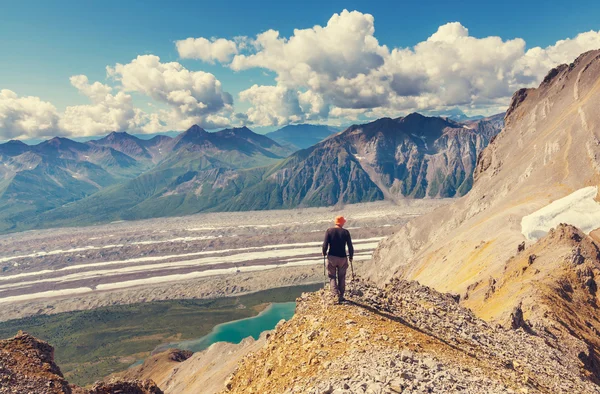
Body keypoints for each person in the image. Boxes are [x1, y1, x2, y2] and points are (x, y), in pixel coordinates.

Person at [322, 215, 354, 303]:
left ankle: (335, 294)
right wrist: (351, 256)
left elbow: (325, 244)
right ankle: (341, 296)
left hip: (332, 257)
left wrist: (324, 252)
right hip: (343, 258)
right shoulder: (346, 232)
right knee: (342, 277)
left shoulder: (329, 231)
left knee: (332, 276)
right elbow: (350, 246)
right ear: (342, 222)